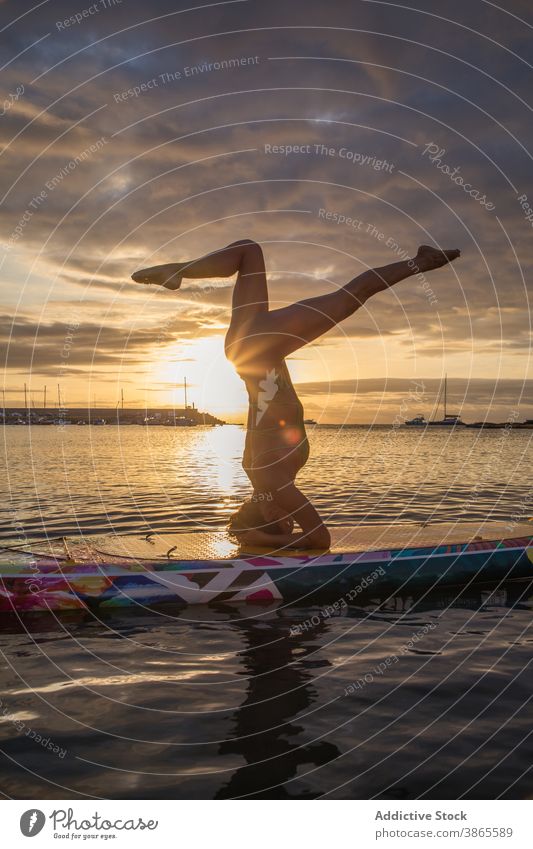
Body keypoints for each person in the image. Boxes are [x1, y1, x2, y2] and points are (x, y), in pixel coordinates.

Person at [132, 239, 460, 550]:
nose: (292, 521)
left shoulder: (272, 482)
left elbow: (320, 539)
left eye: (286, 522)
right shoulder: (262, 475)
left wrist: (265, 540)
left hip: (257, 351)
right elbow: (254, 527)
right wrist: (254, 535)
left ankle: (421, 262)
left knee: (351, 296)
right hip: (248, 350)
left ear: (271, 515)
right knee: (249, 251)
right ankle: (178, 272)